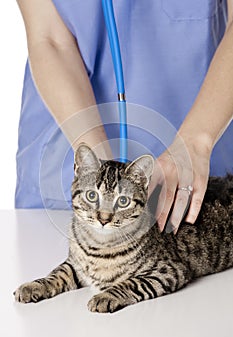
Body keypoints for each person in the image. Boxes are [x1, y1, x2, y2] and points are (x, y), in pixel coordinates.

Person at [16, 0, 233, 232]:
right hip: (69, 138)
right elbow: (49, 39)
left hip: (201, 136)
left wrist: (196, 142)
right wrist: (96, 168)